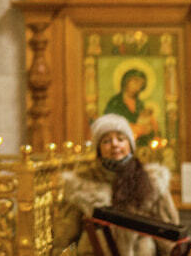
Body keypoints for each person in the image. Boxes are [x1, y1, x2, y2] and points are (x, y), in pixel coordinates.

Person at [54, 113, 180, 256]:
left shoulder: (152, 181)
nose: (115, 144)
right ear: (98, 149)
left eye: (121, 139)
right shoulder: (81, 184)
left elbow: (169, 233)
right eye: (106, 141)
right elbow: (65, 237)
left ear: (130, 145)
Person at [104, 68, 160, 148]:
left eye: (141, 84)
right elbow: (109, 124)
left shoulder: (140, 104)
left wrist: (151, 126)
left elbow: (145, 123)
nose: (138, 86)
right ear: (126, 82)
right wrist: (135, 128)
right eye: (135, 81)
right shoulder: (115, 102)